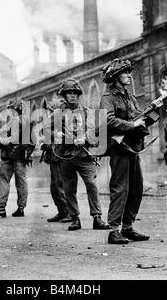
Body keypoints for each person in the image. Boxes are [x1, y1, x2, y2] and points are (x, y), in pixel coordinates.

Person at [100, 58, 160, 244]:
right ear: (115, 76)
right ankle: (113, 230)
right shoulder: (108, 97)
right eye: (125, 72)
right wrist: (131, 124)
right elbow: (107, 121)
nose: (129, 75)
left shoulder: (130, 97)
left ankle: (128, 227)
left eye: (129, 72)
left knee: (136, 188)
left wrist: (155, 110)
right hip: (119, 148)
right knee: (120, 188)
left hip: (132, 148)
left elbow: (143, 122)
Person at [55, 79, 110, 231]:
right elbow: (50, 133)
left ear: (78, 95)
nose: (72, 96)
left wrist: (83, 138)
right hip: (66, 156)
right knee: (69, 188)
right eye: (68, 93)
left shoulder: (87, 112)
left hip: (84, 156)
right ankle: (74, 218)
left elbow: (92, 132)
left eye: (74, 93)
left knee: (92, 185)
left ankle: (97, 217)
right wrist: (58, 134)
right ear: (64, 96)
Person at [0, 98, 32, 218]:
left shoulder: (16, 120)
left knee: (3, 179)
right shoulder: (26, 120)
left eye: (11, 109)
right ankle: (21, 208)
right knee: (21, 181)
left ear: (15, 109)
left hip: (11, 155)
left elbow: (13, 139)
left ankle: (1, 208)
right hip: (22, 156)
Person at [35, 97, 71, 223]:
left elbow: (49, 132)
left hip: (59, 155)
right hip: (53, 154)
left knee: (59, 184)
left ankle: (67, 212)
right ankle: (62, 211)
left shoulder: (58, 117)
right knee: (54, 186)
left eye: (49, 109)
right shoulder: (54, 118)